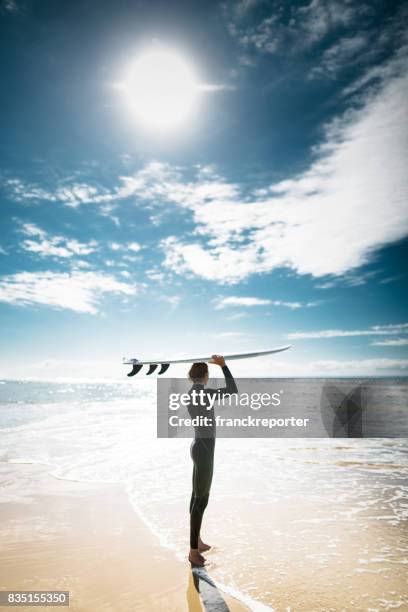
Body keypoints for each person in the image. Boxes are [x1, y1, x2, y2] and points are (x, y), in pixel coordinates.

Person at [187, 354, 237, 566]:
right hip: (205, 451)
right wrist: (224, 367)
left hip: (198, 447)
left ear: (191, 377)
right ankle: (193, 552)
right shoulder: (206, 394)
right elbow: (233, 390)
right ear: (206, 376)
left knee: (195, 498)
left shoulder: (190, 394)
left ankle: (196, 541)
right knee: (201, 500)